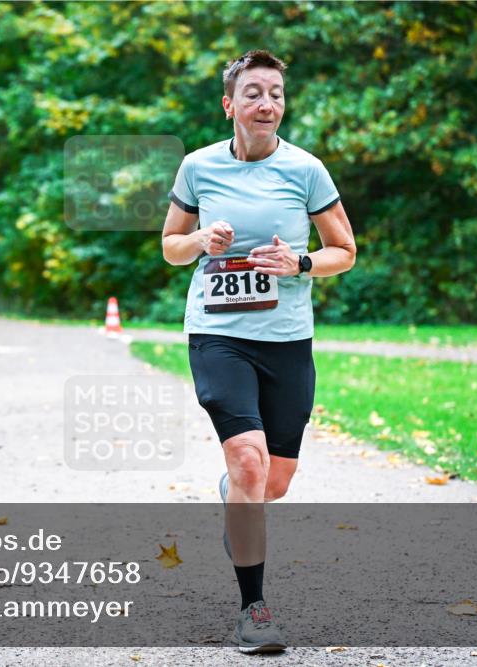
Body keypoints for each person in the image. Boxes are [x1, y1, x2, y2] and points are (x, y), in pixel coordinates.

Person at [161, 49, 356, 654]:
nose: (266, 102)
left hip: (287, 340)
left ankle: (236, 497)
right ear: (230, 104)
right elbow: (169, 246)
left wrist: (300, 261)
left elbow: (343, 250)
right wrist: (197, 239)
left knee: (273, 482)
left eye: (274, 92)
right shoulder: (197, 167)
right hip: (218, 333)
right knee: (248, 461)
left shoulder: (306, 171)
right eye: (253, 93)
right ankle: (255, 611)